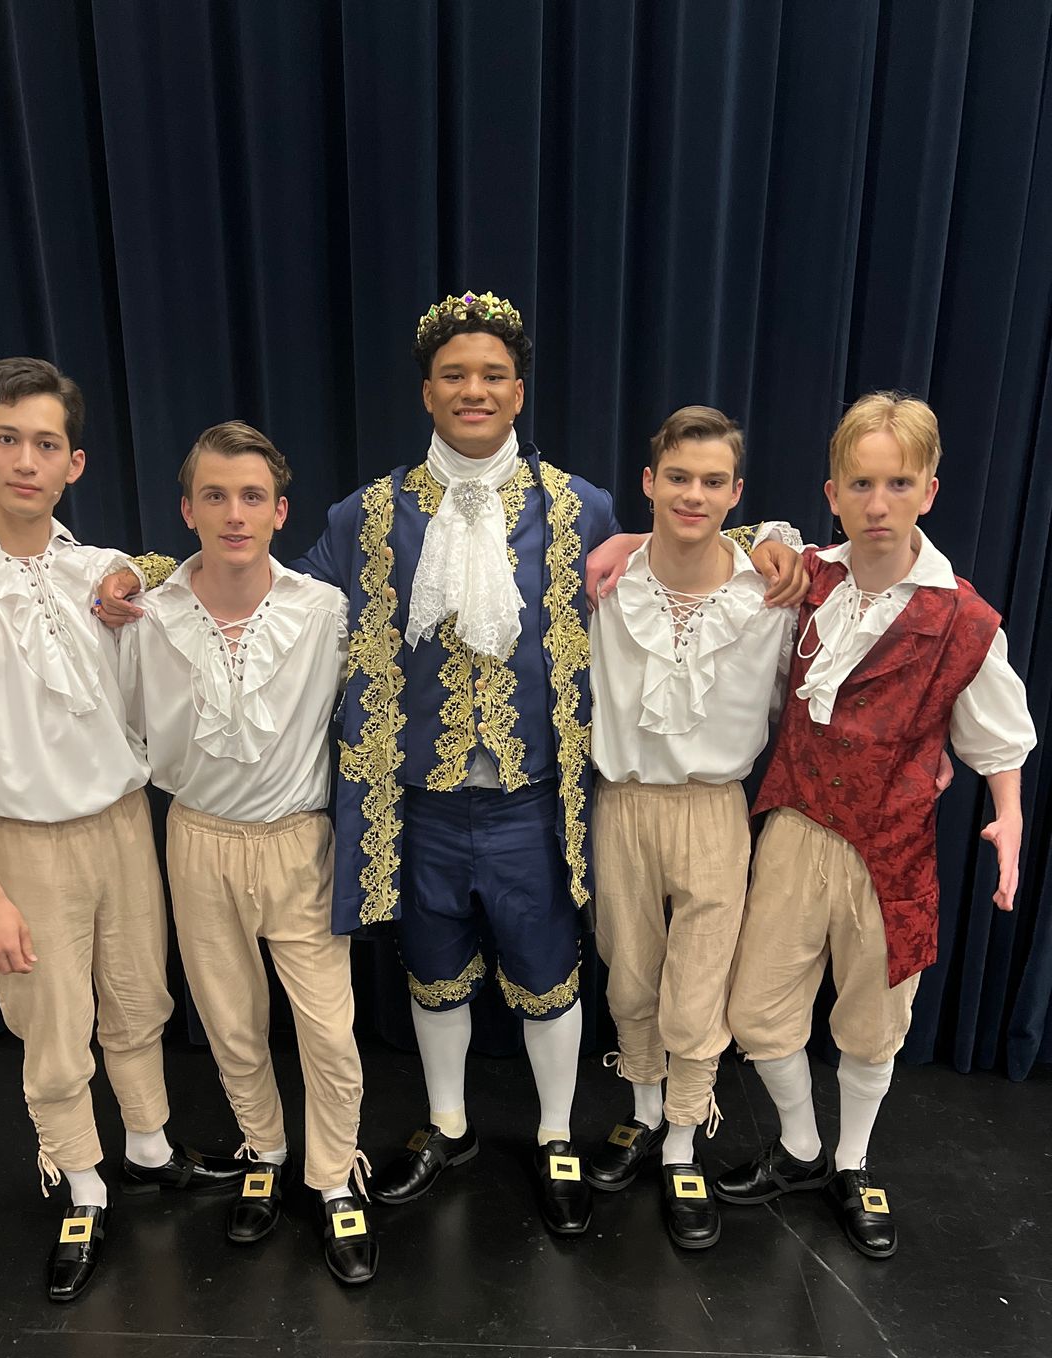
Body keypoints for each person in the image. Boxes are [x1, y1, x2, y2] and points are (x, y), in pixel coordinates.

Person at [98, 291, 806, 1237]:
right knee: (434, 971)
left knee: (549, 973)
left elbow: (682, 545)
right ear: (427, 392)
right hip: (418, 803)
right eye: (455, 375)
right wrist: (144, 572)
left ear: (518, 392)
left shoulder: (583, 507)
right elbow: (268, 583)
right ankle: (450, 1124)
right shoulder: (366, 515)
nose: (475, 390)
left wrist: (767, 540)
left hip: (533, 800)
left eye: (493, 375)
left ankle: (554, 1132)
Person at [0, 357, 243, 1305]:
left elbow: (183, 593)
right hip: (22, 841)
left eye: (47, 444)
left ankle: (149, 1146)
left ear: (74, 463)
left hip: (121, 823)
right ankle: (81, 1181)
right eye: (7, 439)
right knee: (51, 1022)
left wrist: (132, 577)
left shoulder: (98, 574)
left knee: (138, 995)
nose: (25, 462)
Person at [715, 392, 1037, 1257]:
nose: (879, 503)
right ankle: (801, 1147)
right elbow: (699, 547)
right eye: (861, 483)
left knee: (873, 1021)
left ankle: (853, 1162)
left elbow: (997, 738)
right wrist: (625, 543)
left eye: (899, 483)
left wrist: (1009, 817)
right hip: (794, 826)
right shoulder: (804, 577)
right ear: (834, 493)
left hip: (892, 849)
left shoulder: (964, 619)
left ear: (930, 490)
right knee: (757, 1010)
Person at [118, 422, 377, 1285]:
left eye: (253, 497)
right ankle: (264, 1148)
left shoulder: (323, 610)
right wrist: (130, 577)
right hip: (197, 837)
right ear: (187, 509)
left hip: (298, 841)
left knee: (328, 1029)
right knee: (231, 1021)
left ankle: (332, 1175)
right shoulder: (146, 614)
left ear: (280, 512)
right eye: (216, 496)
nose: (235, 513)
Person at [585, 406, 798, 1249]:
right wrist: (630, 541)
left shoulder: (768, 594)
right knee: (629, 971)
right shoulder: (610, 584)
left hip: (714, 807)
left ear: (737, 494)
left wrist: (772, 539)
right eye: (678, 477)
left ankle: (682, 1137)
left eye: (713, 482)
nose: (693, 495)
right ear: (649, 482)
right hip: (625, 801)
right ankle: (642, 1109)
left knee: (700, 981)